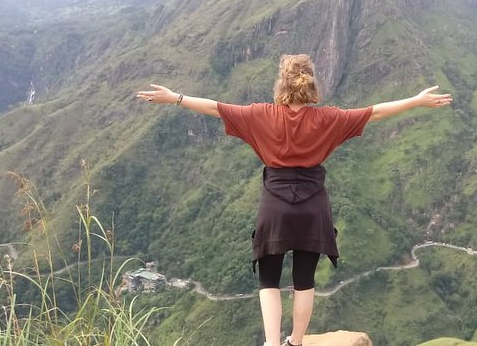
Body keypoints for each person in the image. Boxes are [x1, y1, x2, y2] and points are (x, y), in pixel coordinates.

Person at [136, 54, 453, 346]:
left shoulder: (261, 115)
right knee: (304, 279)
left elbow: (213, 107)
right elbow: (376, 112)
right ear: (311, 84)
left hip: (275, 205)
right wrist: (416, 100)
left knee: (269, 278)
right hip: (313, 206)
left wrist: (174, 98)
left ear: (281, 84)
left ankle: (273, 344)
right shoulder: (328, 118)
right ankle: (296, 341)